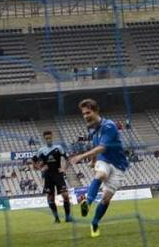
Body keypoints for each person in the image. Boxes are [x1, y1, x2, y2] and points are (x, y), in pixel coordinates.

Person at [68, 99, 129, 238]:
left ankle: (94, 223)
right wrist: (93, 160)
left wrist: (82, 156)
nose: (85, 116)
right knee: (101, 174)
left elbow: (102, 147)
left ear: (96, 111)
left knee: (106, 199)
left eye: (88, 112)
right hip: (104, 160)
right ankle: (87, 203)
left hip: (119, 165)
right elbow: (97, 146)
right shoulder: (93, 130)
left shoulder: (109, 126)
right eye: (83, 114)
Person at [34, 130, 72, 223]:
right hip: (48, 176)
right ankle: (56, 218)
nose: (48, 140)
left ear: (52, 137)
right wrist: (40, 168)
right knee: (50, 198)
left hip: (58, 174)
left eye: (50, 138)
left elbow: (68, 159)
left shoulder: (58, 148)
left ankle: (67, 217)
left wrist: (64, 169)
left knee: (65, 195)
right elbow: (33, 162)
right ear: (44, 139)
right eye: (47, 138)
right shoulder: (41, 150)